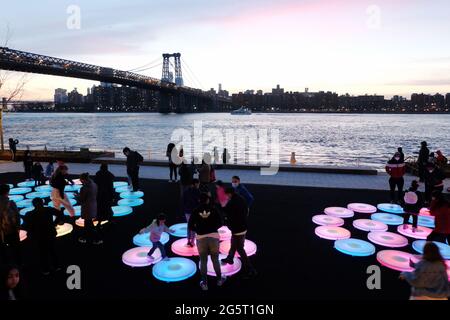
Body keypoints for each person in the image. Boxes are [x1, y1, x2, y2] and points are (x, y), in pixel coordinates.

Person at [188, 193, 226, 291]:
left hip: (201, 238)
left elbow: (190, 226)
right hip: (213, 237)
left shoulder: (195, 211)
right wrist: (213, 228)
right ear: (208, 200)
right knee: (215, 259)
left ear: (199, 200)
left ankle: (204, 284)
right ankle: (219, 280)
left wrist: (199, 230)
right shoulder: (213, 209)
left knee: (203, 261)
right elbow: (221, 222)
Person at [221, 187, 257, 279]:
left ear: (229, 194)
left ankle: (250, 269)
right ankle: (230, 258)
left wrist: (227, 220)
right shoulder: (240, 198)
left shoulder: (232, 203)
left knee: (240, 249)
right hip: (243, 227)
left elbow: (227, 213)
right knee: (233, 243)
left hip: (238, 229)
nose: (226, 197)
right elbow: (246, 210)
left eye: (226, 195)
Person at [23, 198, 63, 275]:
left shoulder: (29, 214)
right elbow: (60, 214)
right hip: (50, 233)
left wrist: (31, 234)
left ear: (33, 204)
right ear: (42, 203)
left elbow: (27, 226)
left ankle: (46, 269)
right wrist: (55, 223)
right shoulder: (48, 210)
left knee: (42, 253)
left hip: (38, 236)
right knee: (52, 250)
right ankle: (56, 266)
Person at [0, 185, 21, 265]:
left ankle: (6, 264)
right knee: (16, 248)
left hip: (1, 231)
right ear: (7, 192)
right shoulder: (10, 203)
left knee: (3, 250)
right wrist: (18, 228)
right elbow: (17, 216)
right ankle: (18, 264)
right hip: (12, 230)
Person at [94, 164, 115, 238]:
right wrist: (113, 196)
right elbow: (111, 186)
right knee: (107, 206)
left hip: (99, 194)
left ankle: (99, 221)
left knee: (99, 207)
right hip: (107, 194)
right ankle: (110, 219)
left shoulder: (98, 174)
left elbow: (95, 184)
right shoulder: (109, 175)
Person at [78, 173, 100, 245]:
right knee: (88, 223)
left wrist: (77, 196)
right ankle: (88, 238)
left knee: (88, 224)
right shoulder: (94, 184)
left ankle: (95, 239)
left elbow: (82, 199)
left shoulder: (84, 188)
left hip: (87, 207)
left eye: (80, 179)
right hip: (93, 205)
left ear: (83, 180)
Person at [183, 179, 201, 247]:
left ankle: (188, 241)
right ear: (195, 184)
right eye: (198, 184)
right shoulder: (197, 191)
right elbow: (199, 202)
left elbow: (183, 201)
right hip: (194, 211)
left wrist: (184, 209)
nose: (199, 185)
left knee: (189, 225)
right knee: (193, 226)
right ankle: (192, 241)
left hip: (187, 211)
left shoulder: (186, 191)